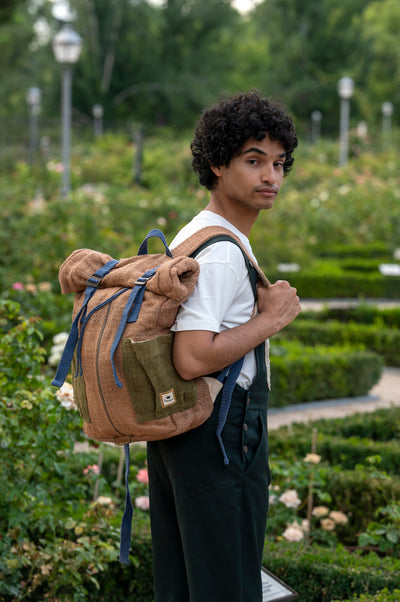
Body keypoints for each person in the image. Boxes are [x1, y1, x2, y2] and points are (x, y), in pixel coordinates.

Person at [146, 91, 301, 602]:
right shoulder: (220, 252)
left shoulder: (200, 233)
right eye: (253, 161)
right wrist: (272, 319)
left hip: (188, 429)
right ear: (216, 163)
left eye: (278, 163)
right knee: (227, 584)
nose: (270, 177)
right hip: (221, 432)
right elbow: (191, 358)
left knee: (190, 581)